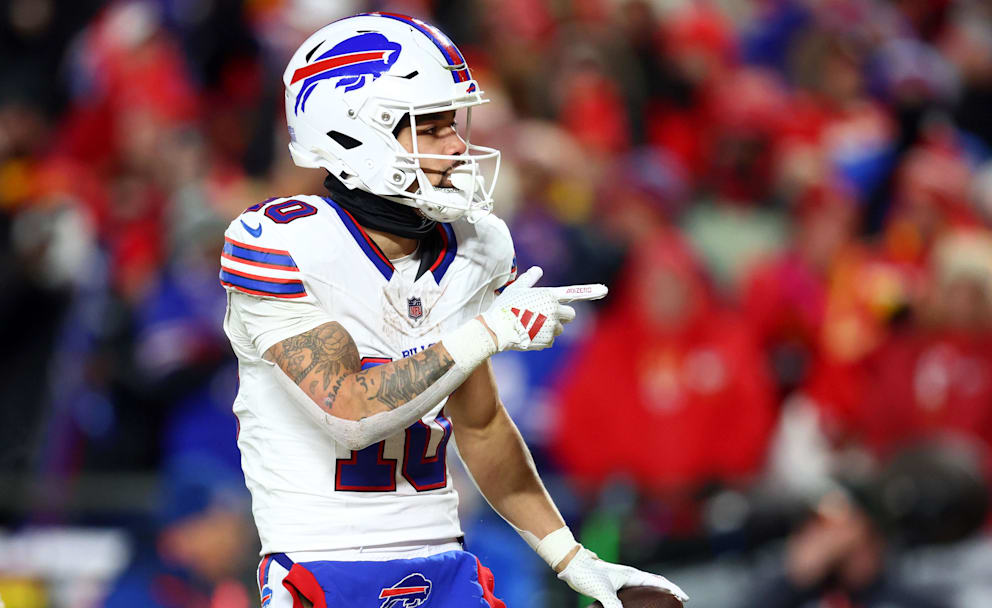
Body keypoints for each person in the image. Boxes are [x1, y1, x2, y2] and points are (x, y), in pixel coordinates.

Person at [218, 13, 687, 608]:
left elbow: (482, 425)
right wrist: (486, 332)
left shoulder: (475, 245)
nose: (458, 146)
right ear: (352, 134)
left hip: (445, 562)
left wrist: (573, 558)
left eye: (453, 124)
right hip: (325, 568)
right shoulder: (281, 243)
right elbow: (349, 409)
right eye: (431, 127)